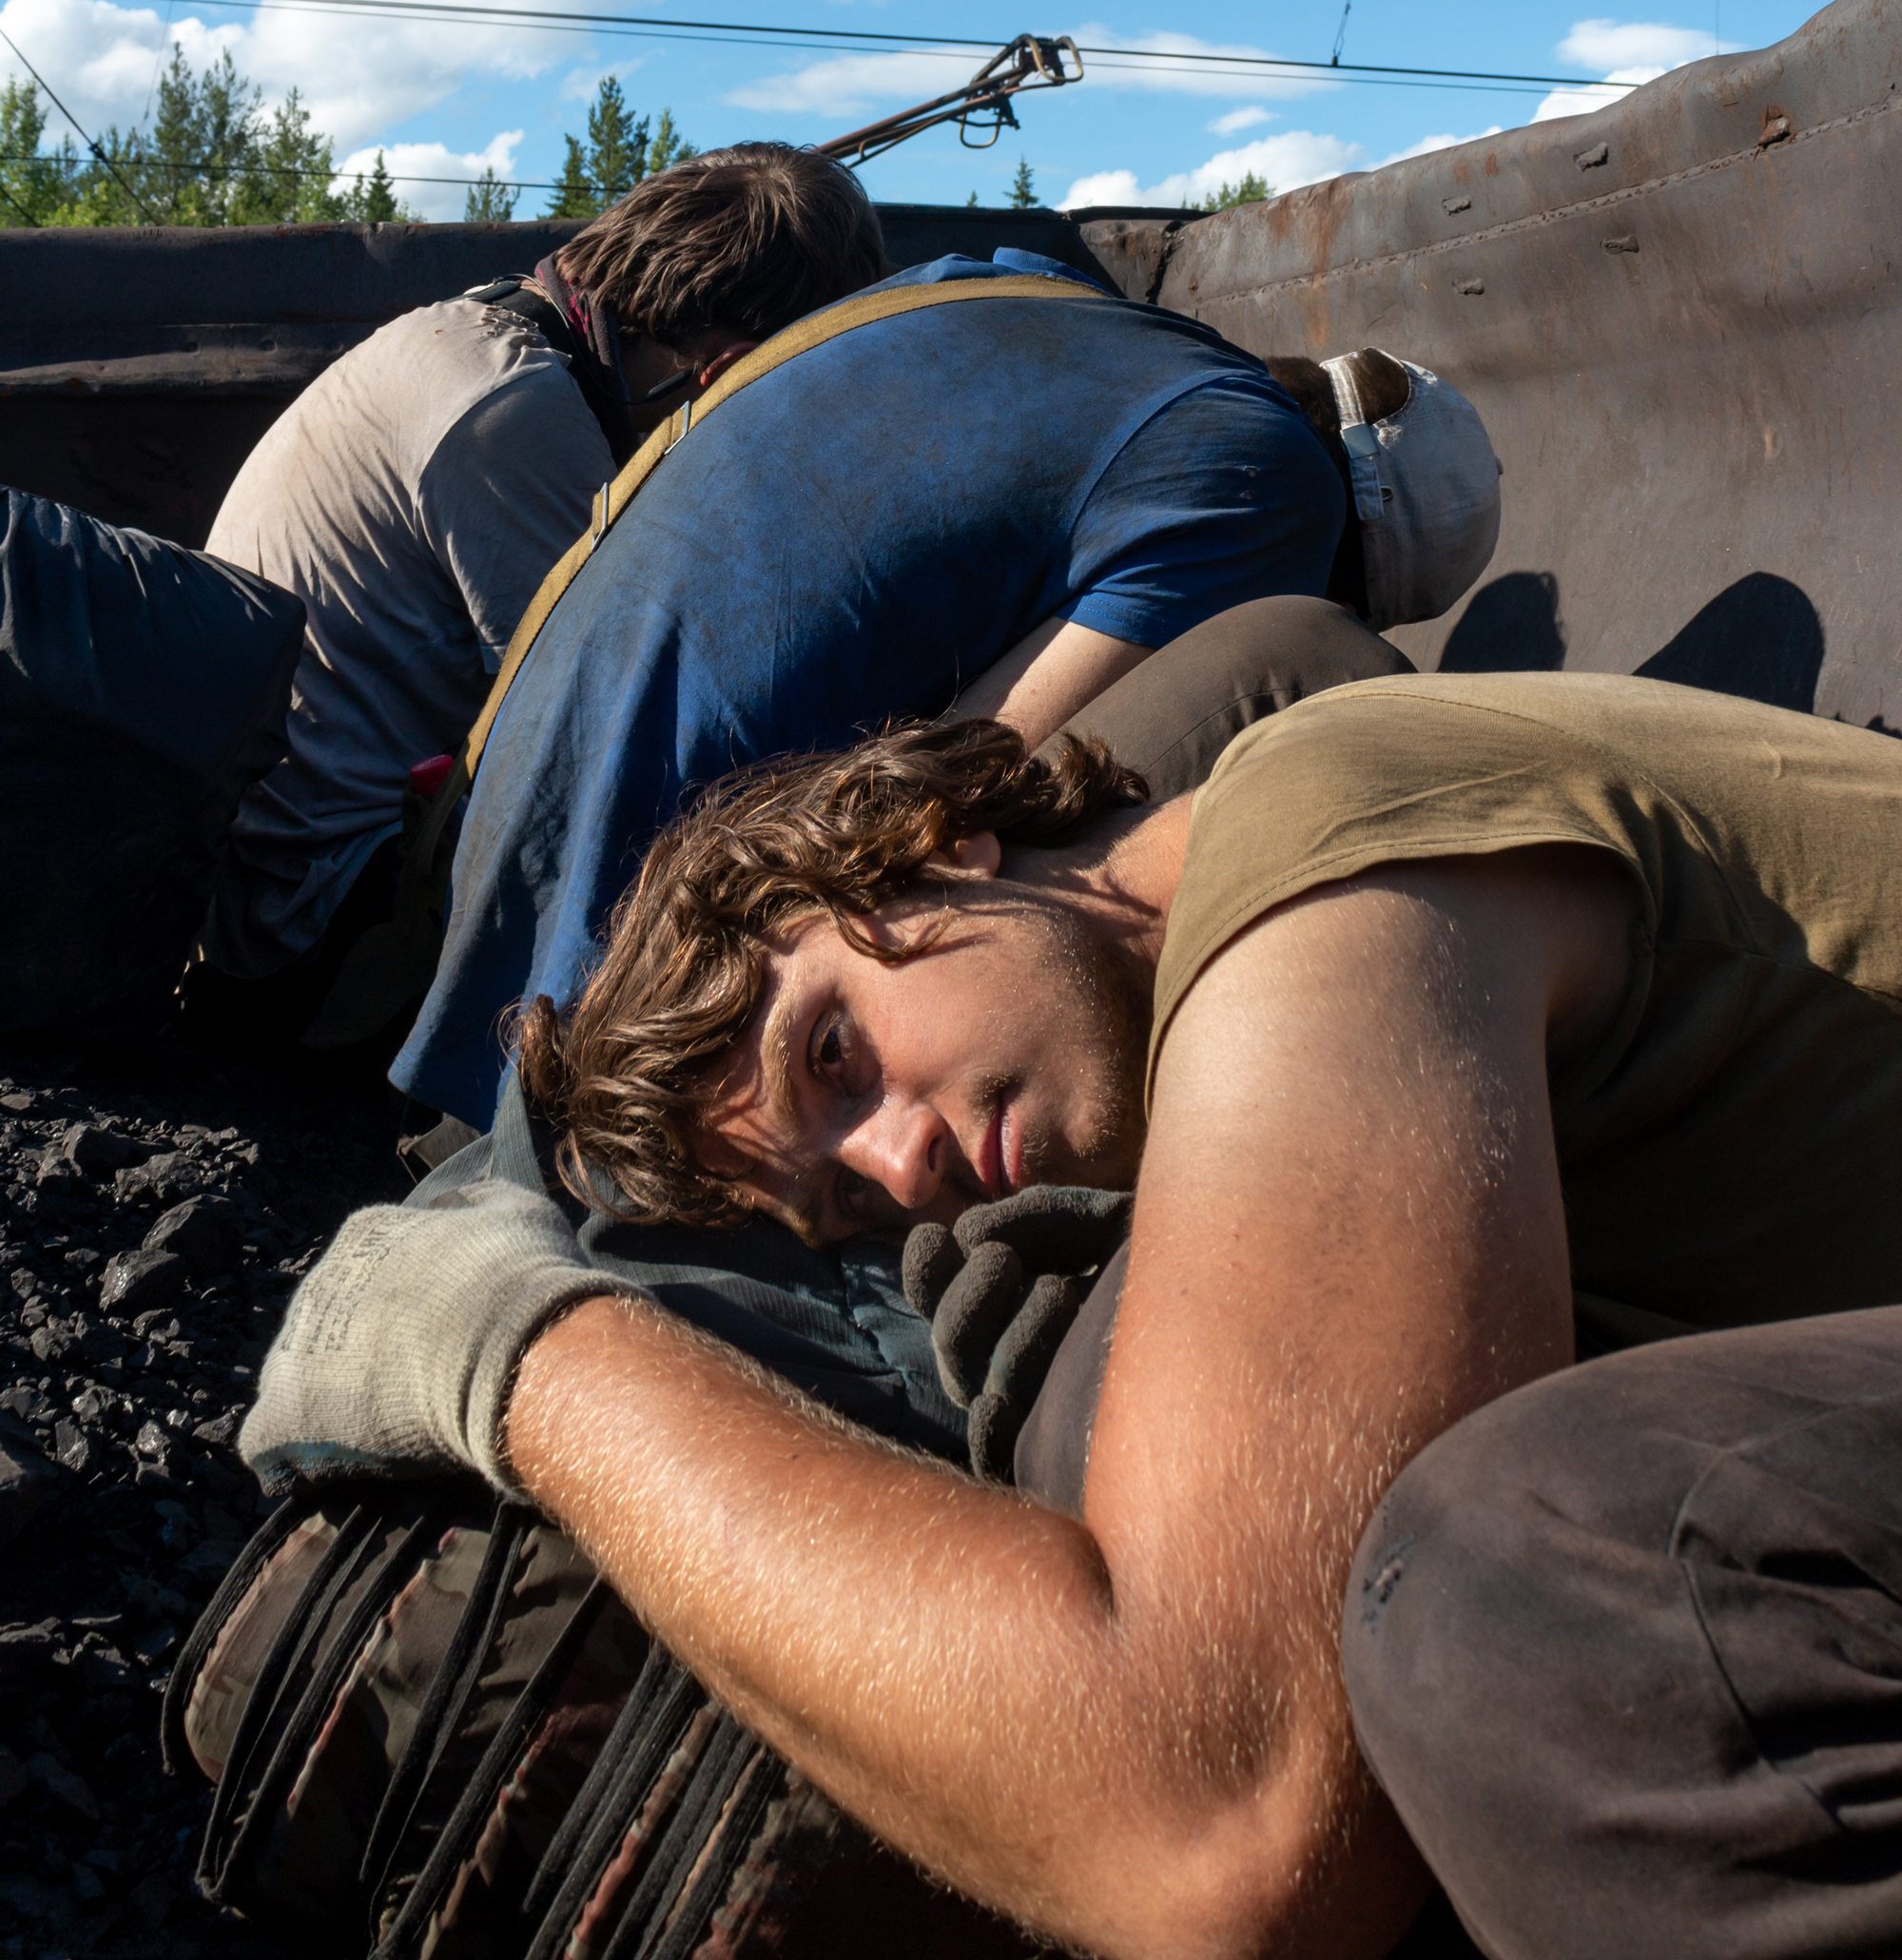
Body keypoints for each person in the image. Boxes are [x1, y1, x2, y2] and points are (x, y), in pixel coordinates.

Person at [247, 669, 1902, 1960]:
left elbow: (1227, 1831)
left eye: (832, 1054)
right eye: (843, 1199)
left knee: (1536, 1603)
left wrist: (524, 1357)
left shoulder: (1320, 856)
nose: (902, 1165)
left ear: (926, 842)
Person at [389, 260, 1502, 1134]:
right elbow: (983, 766)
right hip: (640, 1001)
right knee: (1310, 672)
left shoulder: (1021, 283)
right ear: (1352, 535)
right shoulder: (1274, 487)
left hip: (488, 889)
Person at [194, 143, 885, 1043]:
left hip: (267, 884)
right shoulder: (517, 416)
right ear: (730, 364)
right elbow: (610, 740)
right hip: (320, 923)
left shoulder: (476, 333)